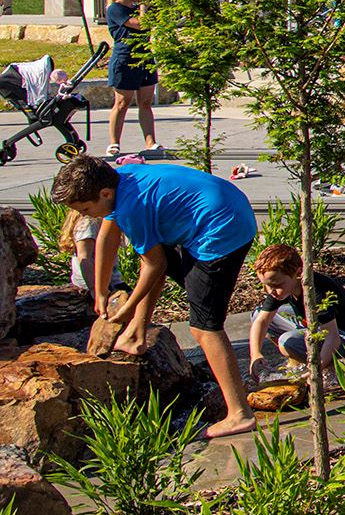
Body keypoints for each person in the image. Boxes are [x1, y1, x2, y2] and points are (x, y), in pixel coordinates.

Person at [54, 154, 258, 438]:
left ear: (105, 194)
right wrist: (99, 291)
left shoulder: (130, 207)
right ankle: (137, 335)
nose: (88, 216)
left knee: (204, 327)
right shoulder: (121, 180)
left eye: (87, 209)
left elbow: (156, 265)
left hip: (221, 229)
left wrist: (129, 306)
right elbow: (107, 238)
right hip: (221, 209)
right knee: (153, 255)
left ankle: (239, 413)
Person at [245, 242, 345, 384]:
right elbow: (262, 321)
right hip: (316, 328)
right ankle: (300, 359)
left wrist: (315, 370)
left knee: (286, 341)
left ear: (298, 273)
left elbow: (332, 337)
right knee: (257, 315)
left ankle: (328, 367)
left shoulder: (317, 292)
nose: (270, 291)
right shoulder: (281, 287)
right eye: (265, 285)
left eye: (276, 285)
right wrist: (255, 354)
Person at [103, 0, 159, 157]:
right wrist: (144, 8)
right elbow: (140, 24)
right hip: (125, 58)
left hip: (145, 57)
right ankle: (114, 143)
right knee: (122, 103)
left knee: (145, 102)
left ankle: (150, 142)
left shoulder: (138, 9)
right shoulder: (115, 9)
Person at [61, 204, 105, 293]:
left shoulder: (95, 221)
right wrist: (95, 289)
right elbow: (84, 258)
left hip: (105, 281)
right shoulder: (89, 223)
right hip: (93, 284)